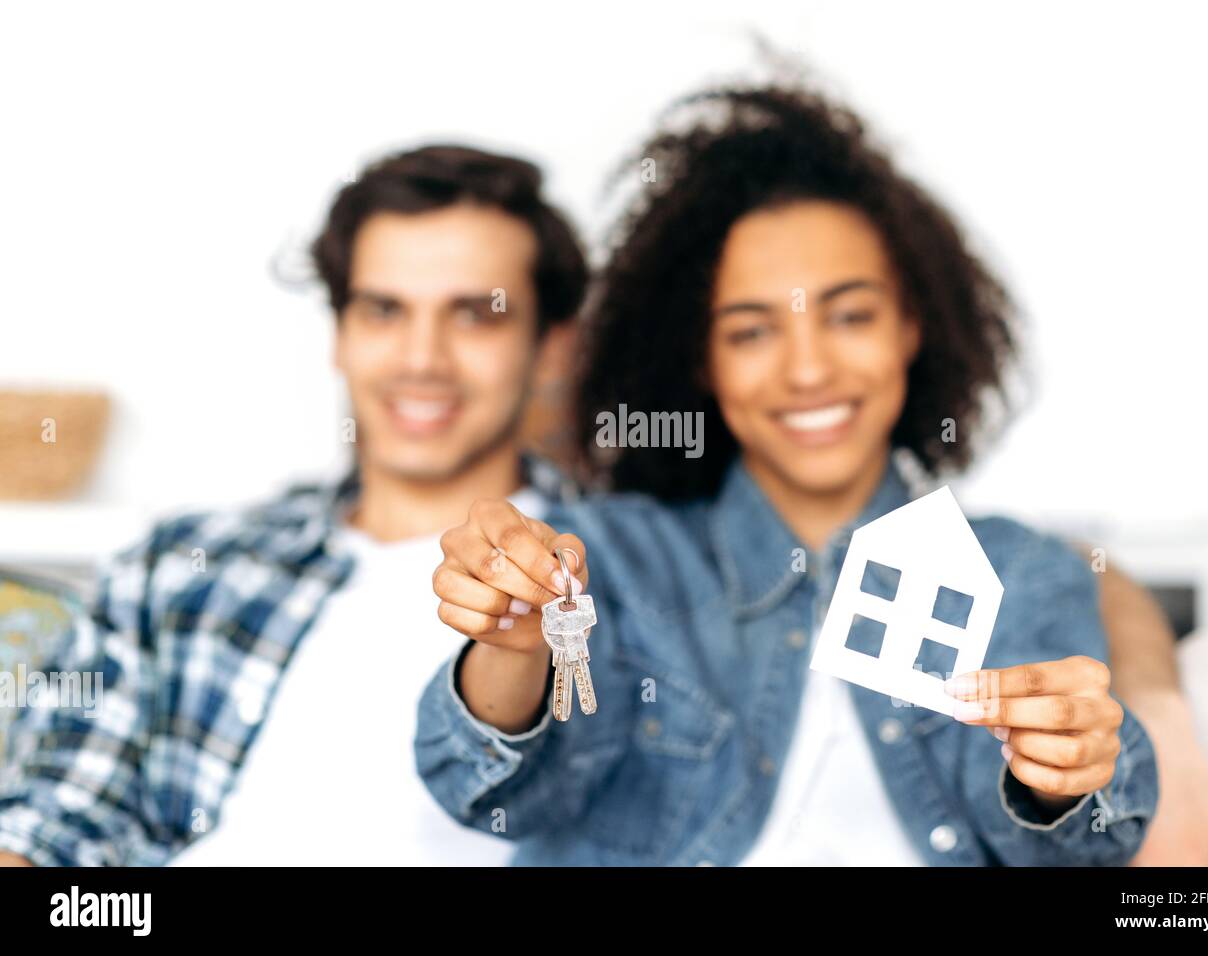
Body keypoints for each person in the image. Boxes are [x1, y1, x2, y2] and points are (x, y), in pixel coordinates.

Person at [416, 85, 1163, 865]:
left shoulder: (1019, 574)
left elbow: (1085, 849)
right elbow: (499, 794)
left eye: (850, 316)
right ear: (703, 360)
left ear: (913, 324)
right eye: (751, 331)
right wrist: (513, 648)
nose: (808, 370)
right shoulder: (612, 558)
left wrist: (1063, 777)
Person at [0, 145, 587, 865]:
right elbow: (52, 826)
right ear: (340, 334)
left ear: (551, 348)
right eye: (383, 311)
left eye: (474, 316)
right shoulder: (182, 565)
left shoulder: (640, 569)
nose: (422, 359)